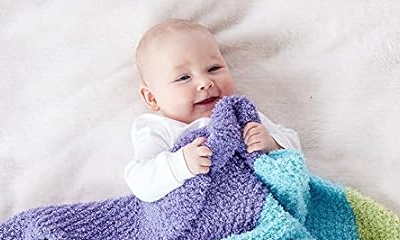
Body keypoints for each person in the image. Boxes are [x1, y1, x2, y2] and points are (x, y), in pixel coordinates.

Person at [125, 19, 301, 202]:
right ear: (152, 98)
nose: (205, 82)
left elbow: (294, 147)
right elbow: (140, 183)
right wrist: (181, 164)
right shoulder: (158, 129)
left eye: (213, 68)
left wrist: (272, 143)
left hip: (255, 203)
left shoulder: (239, 114)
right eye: (184, 77)